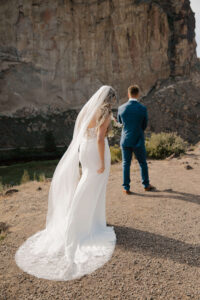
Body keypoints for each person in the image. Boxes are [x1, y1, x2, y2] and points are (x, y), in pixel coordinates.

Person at [15, 86, 117, 281]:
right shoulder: (105, 111)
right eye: (113, 98)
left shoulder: (89, 109)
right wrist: (103, 162)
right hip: (96, 151)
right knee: (93, 185)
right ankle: (84, 223)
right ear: (110, 99)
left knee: (86, 182)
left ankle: (87, 219)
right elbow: (100, 138)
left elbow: (81, 129)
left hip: (84, 150)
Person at [117, 85, 155, 195]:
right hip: (138, 139)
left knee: (126, 164)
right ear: (137, 94)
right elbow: (144, 125)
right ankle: (146, 185)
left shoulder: (121, 108)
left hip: (125, 140)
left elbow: (120, 124)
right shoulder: (142, 108)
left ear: (128, 94)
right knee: (143, 163)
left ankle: (126, 187)